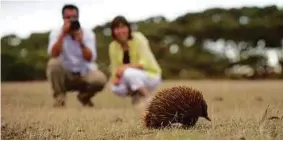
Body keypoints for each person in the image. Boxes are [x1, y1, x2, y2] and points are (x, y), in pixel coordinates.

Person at [46, 4, 107, 107]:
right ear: (63, 18)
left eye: (74, 17)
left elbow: (91, 58)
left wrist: (81, 42)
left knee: (100, 79)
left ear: (78, 17)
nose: (71, 20)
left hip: (83, 73)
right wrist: (63, 35)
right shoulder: (56, 33)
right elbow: (53, 54)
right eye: (68, 17)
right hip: (65, 75)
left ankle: (84, 97)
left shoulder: (87, 33)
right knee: (53, 64)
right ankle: (59, 99)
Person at [108, 16, 162, 105]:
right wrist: (116, 79)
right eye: (117, 28)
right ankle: (136, 95)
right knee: (115, 87)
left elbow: (144, 63)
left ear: (128, 28)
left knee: (128, 73)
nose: (120, 31)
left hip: (150, 75)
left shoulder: (139, 38)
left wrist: (125, 67)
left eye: (123, 27)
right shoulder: (112, 46)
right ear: (113, 31)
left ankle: (148, 100)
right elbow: (114, 68)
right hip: (132, 78)